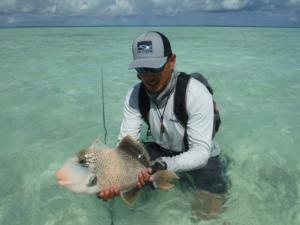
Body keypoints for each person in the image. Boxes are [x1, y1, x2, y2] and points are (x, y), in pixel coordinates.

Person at [98, 31, 229, 218]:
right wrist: (114, 179)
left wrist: (165, 164)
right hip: (160, 152)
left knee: (209, 214)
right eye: (142, 69)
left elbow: (201, 153)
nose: (149, 76)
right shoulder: (134, 95)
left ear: (172, 61)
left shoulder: (197, 94)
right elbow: (126, 146)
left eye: (155, 67)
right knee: (126, 194)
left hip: (202, 158)